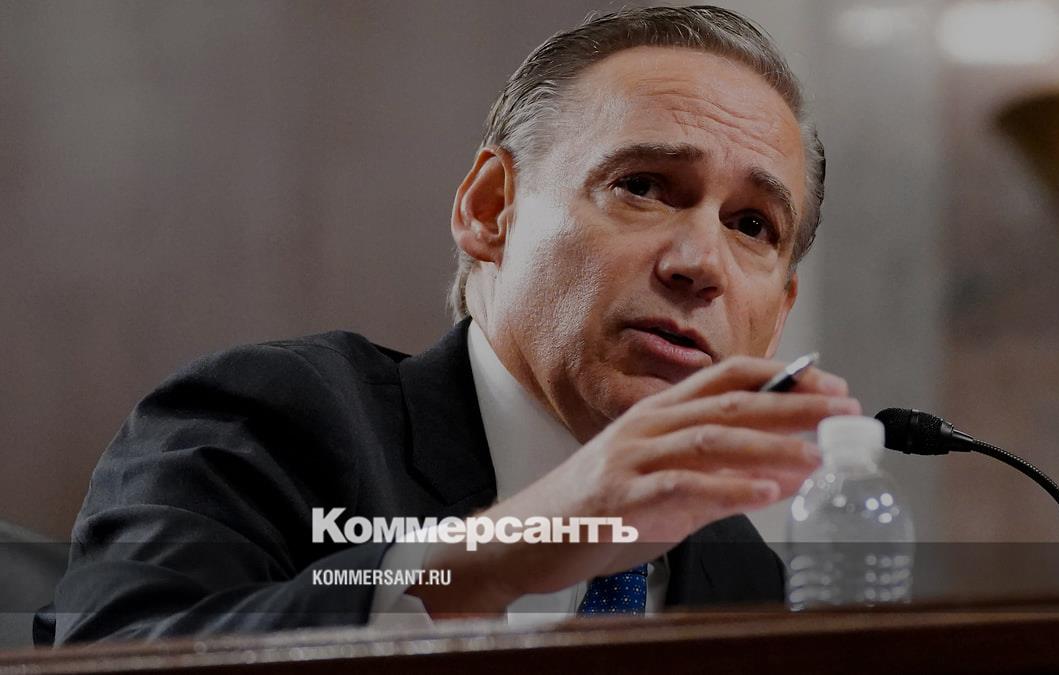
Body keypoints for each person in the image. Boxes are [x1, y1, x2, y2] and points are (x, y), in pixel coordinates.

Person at [36, 5, 860, 644]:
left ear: (779, 314)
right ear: (490, 208)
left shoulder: (740, 570)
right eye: (642, 185)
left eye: (753, 226)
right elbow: (112, 649)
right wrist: (492, 557)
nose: (701, 262)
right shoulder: (274, 419)